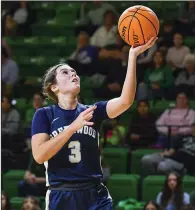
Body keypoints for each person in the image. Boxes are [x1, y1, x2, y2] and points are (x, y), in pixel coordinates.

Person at [31, 37, 157, 210]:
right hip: (62, 194)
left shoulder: (93, 110)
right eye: (65, 73)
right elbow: (39, 156)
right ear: (54, 87)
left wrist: (132, 56)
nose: (73, 74)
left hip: (95, 194)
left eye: (74, 72)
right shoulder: (44, 115)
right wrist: (73, 127)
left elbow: (126, 101)